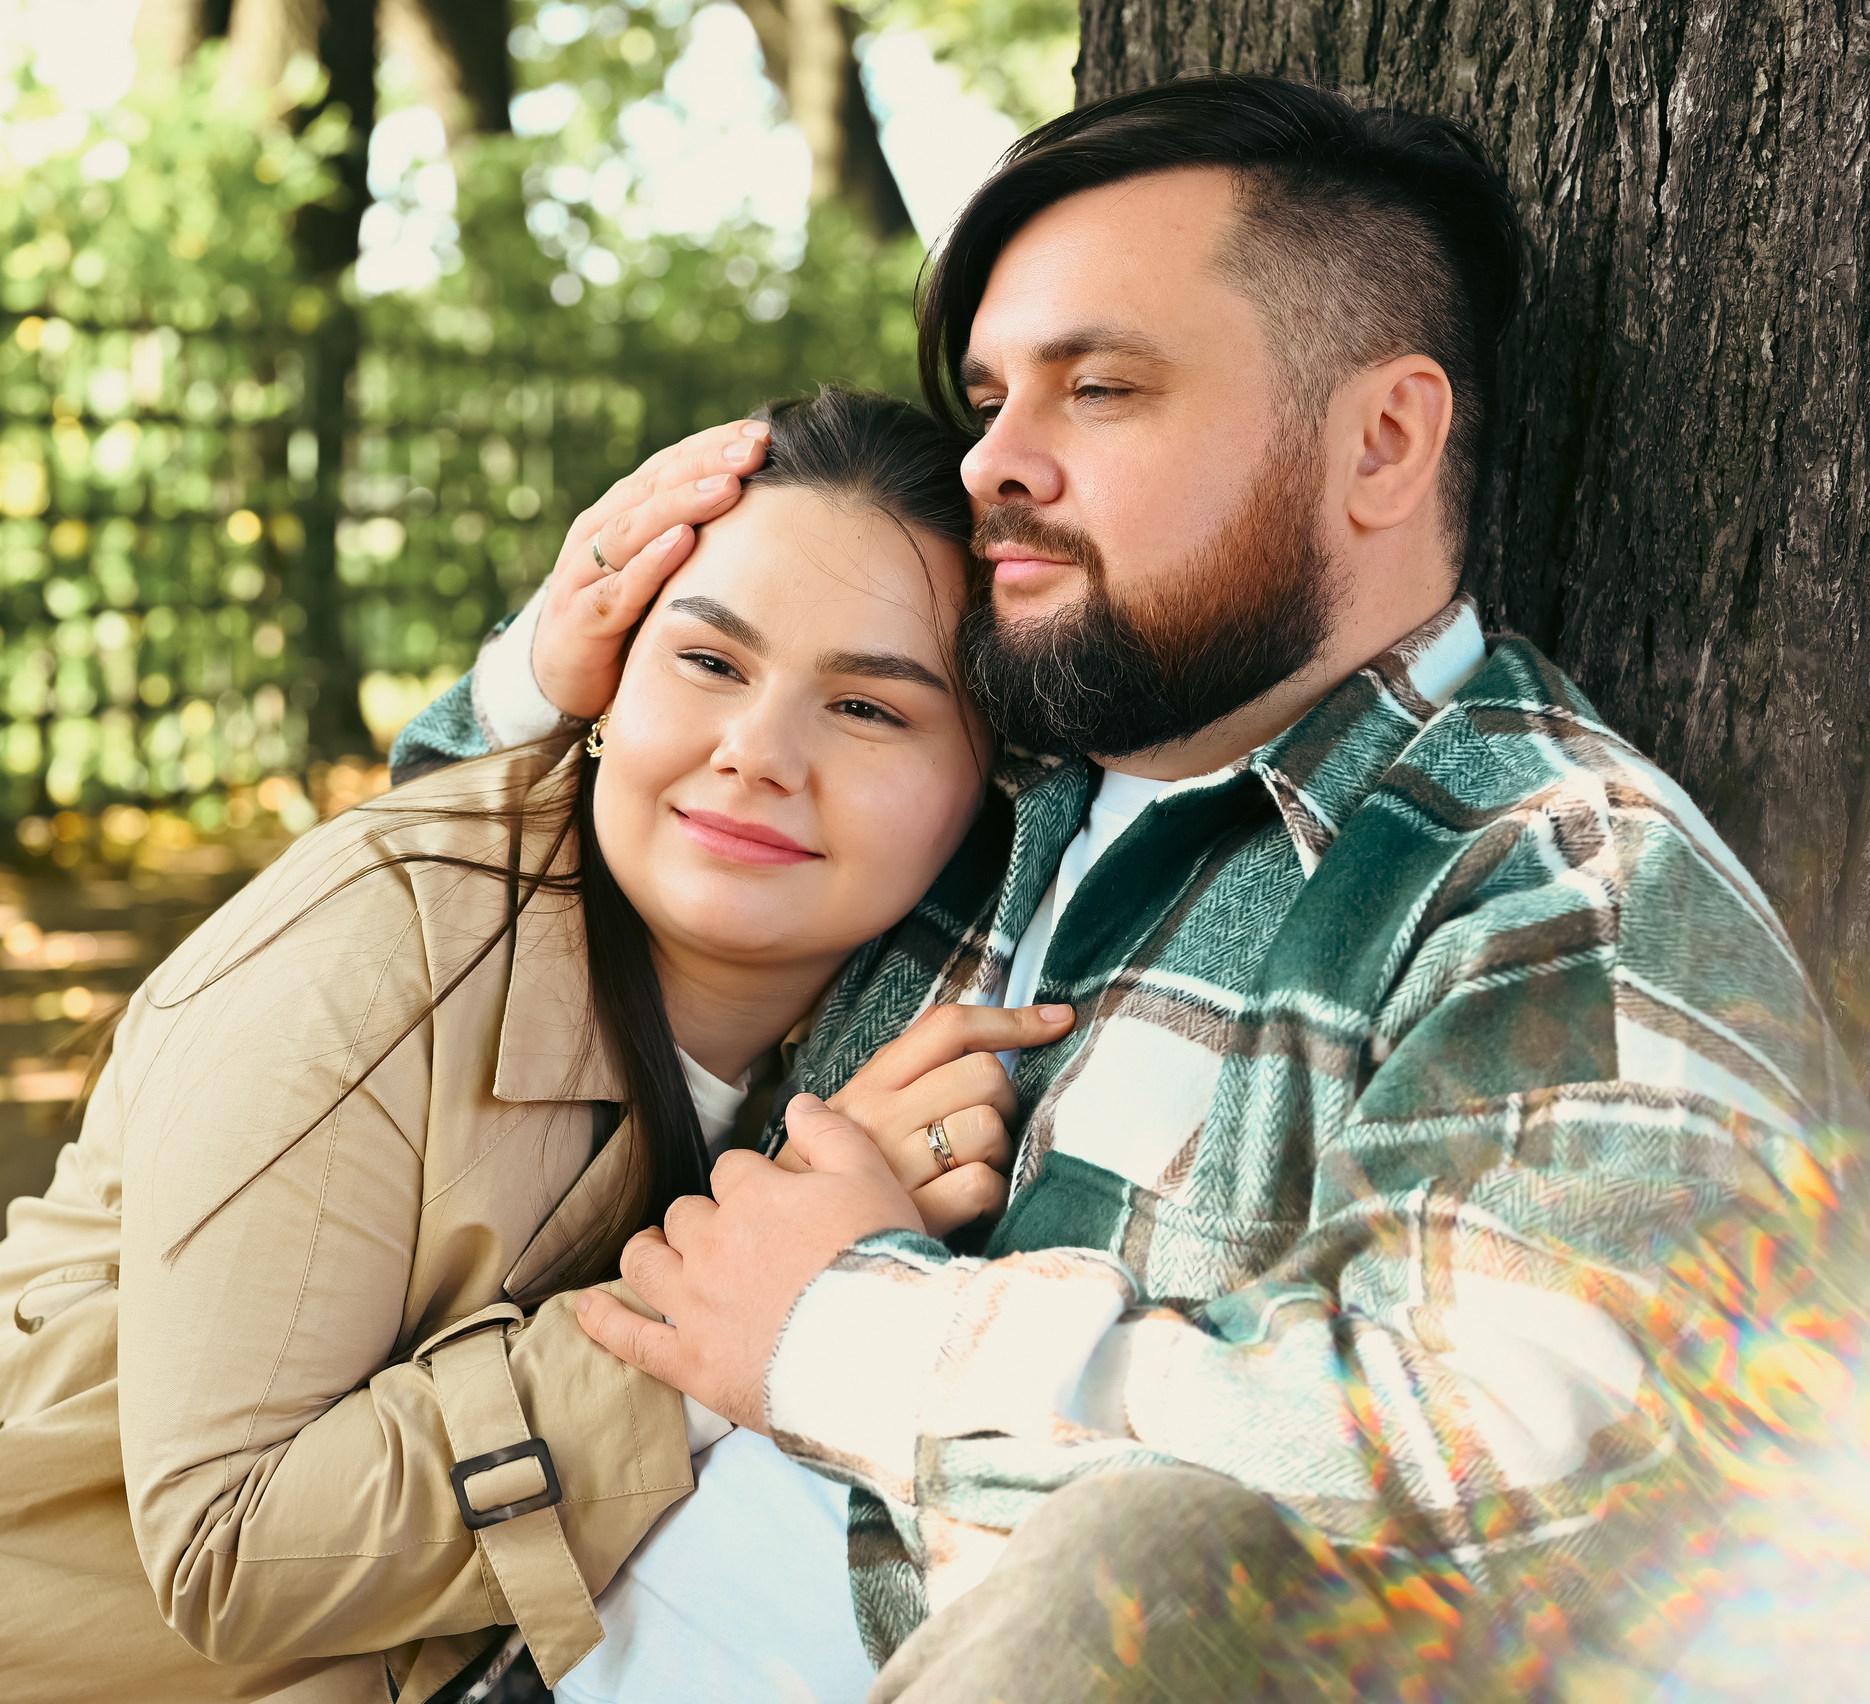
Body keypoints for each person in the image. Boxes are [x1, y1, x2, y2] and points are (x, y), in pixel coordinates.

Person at [393, 74, 1865, 1700]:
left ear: (1381, 441)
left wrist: (843, 1327)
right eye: (985, 400)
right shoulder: (949, 765)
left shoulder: (1553, 887)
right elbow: (438, 948)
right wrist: (542, 673)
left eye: (1096, 390)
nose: (992, 467)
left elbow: (1549, 1494)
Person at [0, 388, 1070, 1704]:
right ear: (607, 675)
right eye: (708, 659)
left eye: (868, 704)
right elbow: (233, 1556)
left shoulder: (884, 1025)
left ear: (982, 776)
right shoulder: (389, 933)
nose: (758, 753)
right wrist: (729, 1329)